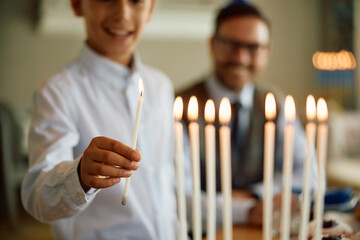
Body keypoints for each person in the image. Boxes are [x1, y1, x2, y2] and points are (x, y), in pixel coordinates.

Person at [21, 0, 178, 239]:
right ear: (77, 5)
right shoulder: (58, 92)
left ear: (151, 8)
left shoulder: (161, 86)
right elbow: (37, 197)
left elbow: (175, 186)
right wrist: (80, 175)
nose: (122, 14)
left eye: (136, 1)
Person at [178, 0, 317, 226]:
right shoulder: (180, 106)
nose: (240, 58)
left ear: (267, 52)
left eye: (252, 48)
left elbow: (310, 174)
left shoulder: (275, 103)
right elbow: (178, 195)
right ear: (212, 44)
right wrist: (249, 209)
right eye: (230, 45)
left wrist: (256, 194)